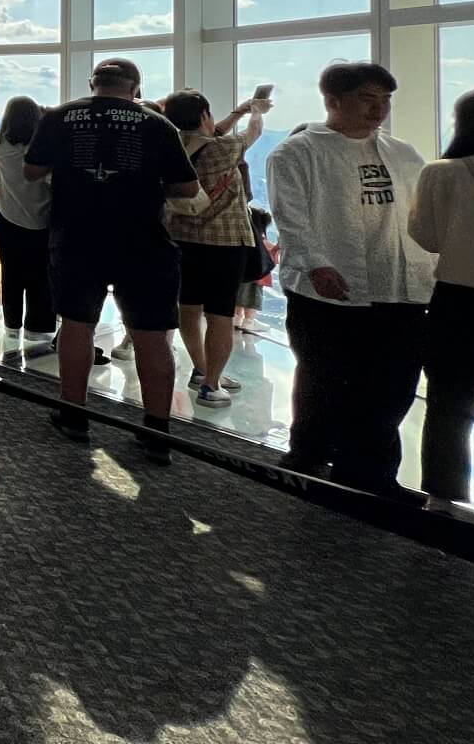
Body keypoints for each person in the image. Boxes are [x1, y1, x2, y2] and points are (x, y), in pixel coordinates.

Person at [265, 61, 434, 499]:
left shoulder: (403, 154)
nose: (379, 109)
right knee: (323, 377)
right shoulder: (297, 152)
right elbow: (291, 217)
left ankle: (370, 472)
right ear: (333, 101)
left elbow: (420, 216)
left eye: (385, 100)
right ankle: (307, 454)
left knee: (392, 384)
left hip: (398, 287)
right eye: (367, 99)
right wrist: (314, 264)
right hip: (326, 291)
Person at [25, 58, 199, 458]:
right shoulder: (157, 124)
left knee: (77, 324)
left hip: (76, 236)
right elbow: (188, 188)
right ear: (135, 89)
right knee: (151, 334)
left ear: (93, 84)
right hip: (143, 241)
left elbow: (32, 171)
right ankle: (157, 431)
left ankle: (74, 415)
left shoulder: (59, 116)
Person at [410, 86, 474, 511]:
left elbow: (426, 237)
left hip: (463, 299)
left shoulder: (442, 173)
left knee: (451, 401)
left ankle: (445, 499)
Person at [160, 88, 270, 409]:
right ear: (204, 115)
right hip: (224, 242)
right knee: (220, 314)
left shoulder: (171, 145)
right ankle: (211, 384)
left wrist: (239, 110)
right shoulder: (226, 148)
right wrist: (256, 112)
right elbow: (253, 133)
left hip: (181, 237)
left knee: (188, 308)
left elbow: (208, 133)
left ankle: (200, 368)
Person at [0, 96, 55, 357]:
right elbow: (51, 181)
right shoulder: (43, 148)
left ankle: (11, 327)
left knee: (11, 275)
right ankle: (37, 330)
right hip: (42, 220)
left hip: (6, 217)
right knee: (41, 277)